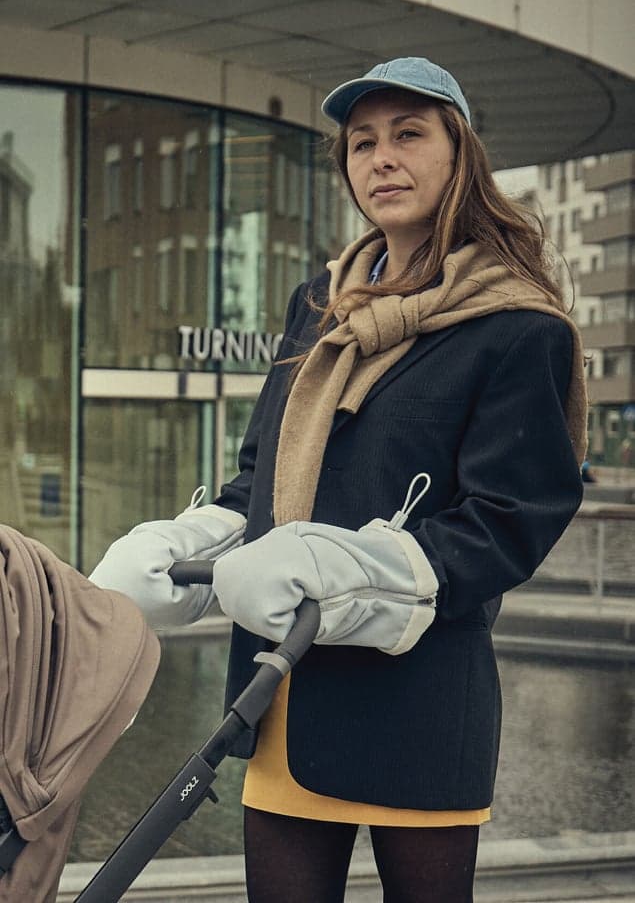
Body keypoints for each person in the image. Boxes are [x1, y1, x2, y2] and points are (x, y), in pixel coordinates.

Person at [91, 56, 587, 903]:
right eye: (361, 144)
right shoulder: (316, 303)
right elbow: (261, 480)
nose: (381, 159)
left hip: (419, 705)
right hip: (281, 696)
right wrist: (188, 544)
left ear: (457, 152)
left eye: (406, 135)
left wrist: (355, 568)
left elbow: (512, 518)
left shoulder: (515, 324)